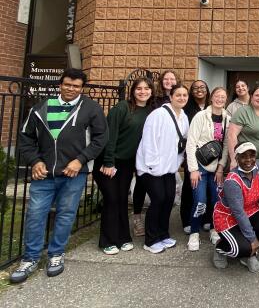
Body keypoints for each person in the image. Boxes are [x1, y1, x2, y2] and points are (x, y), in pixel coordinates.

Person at [11, 68, 108, 283]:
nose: (71, 89)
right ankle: (30, 258)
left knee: (66, 214)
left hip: (73, 173)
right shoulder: (41, 107)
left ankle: (56, 254)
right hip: (44, 174)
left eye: (76, 86)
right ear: (60, 84)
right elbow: (26, 138)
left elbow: (101, 138)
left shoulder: (91, 108)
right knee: (35, 214)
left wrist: (80, 160)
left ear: (82, 88)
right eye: (67, 84)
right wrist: (35, 161)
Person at [94, 77, 153, 255]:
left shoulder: (150, 111)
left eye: (147, 88)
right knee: (111, 200)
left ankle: (123, 238)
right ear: (133, 91)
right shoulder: (122, 108)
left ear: (151, 91)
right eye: (139, 89)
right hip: (109, 161)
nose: (143, 92)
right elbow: (110, 135)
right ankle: (107, 241)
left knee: (120, 200)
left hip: (128, 163)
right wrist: (108, 162)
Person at [136, 84, 189, 254]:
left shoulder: (184, 117)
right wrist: (153, 165)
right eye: (178, 95)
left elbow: (183, 143)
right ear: (171, 97)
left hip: (170, 168)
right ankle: (150, 240)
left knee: (168, 200)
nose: (182, 98)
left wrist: (177, 161)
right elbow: (149, 141)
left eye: (184, 95)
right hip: (150, 168)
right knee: (158, 199)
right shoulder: (158, 114)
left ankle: (163, 234)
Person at [212, 142, 259, 273]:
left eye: (252, 155)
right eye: (244, 156)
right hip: (228, 218)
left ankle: (249, 255)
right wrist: (252, 239)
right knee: (240, 248)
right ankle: (220, 248)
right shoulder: (232, 181)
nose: (249, 160)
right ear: (237, 158)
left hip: (250, 210)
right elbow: (238, 212)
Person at [184, 87, 230, 251]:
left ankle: (214, 229)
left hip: (216, 167)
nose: (220, 99)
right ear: (211, 98)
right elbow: (191, 142)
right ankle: (194, 233)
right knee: (200, 201)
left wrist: (221, 167)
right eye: (217, 96)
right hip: (200, 166)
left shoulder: (227, 118)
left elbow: (225, 146)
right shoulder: (201, 116)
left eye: (223, 97)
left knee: (217, 201)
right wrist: (193, 169)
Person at [181, 80, 211, 235]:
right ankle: (187, 219)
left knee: (206, 189)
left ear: (207, 90)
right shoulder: (186, 109)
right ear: (192, 92)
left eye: (202, 87)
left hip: (208, 156)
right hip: (192, 153)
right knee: (189, 186)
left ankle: (206, 218)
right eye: (195, 88)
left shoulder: (212, 107)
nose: (199, 90)